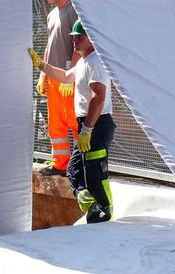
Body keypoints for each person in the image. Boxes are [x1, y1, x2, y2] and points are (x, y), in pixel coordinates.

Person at [29, 19, 115, 223]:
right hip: (89, 124)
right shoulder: (84, 62)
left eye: (79, 37)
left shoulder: (95, 63)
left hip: (97, 124)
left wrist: (87, 129)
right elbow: (66, 76)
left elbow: (98, 97)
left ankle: (105, 212)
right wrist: (42, 65)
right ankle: (93, 209)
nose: (75, 41)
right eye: (74, 37)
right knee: (75, 170)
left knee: (95, 172)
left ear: (91, 38)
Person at [36, 0, 79, 176]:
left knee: (75, 122)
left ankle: (81, 165)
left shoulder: (74, 12)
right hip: (54, 79)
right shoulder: (52, 15)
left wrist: (69, 76)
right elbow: (50, 45)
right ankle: (61, 164)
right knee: (56, 124)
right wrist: (43, 74)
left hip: (68, 79)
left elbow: (78, 47)